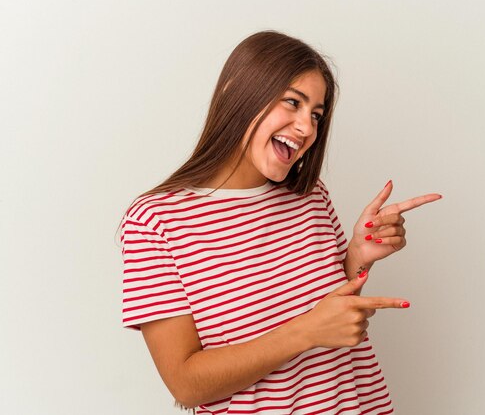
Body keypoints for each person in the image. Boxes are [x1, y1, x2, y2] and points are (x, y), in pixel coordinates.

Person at [119, 30, 442, 414]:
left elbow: (332, 318)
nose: (307, 128)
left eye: (316, 115)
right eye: (293, 102)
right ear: (237, 92)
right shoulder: (155, 222)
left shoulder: (310, 196)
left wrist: (358, 256)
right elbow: (186, 385)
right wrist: (304, 332)